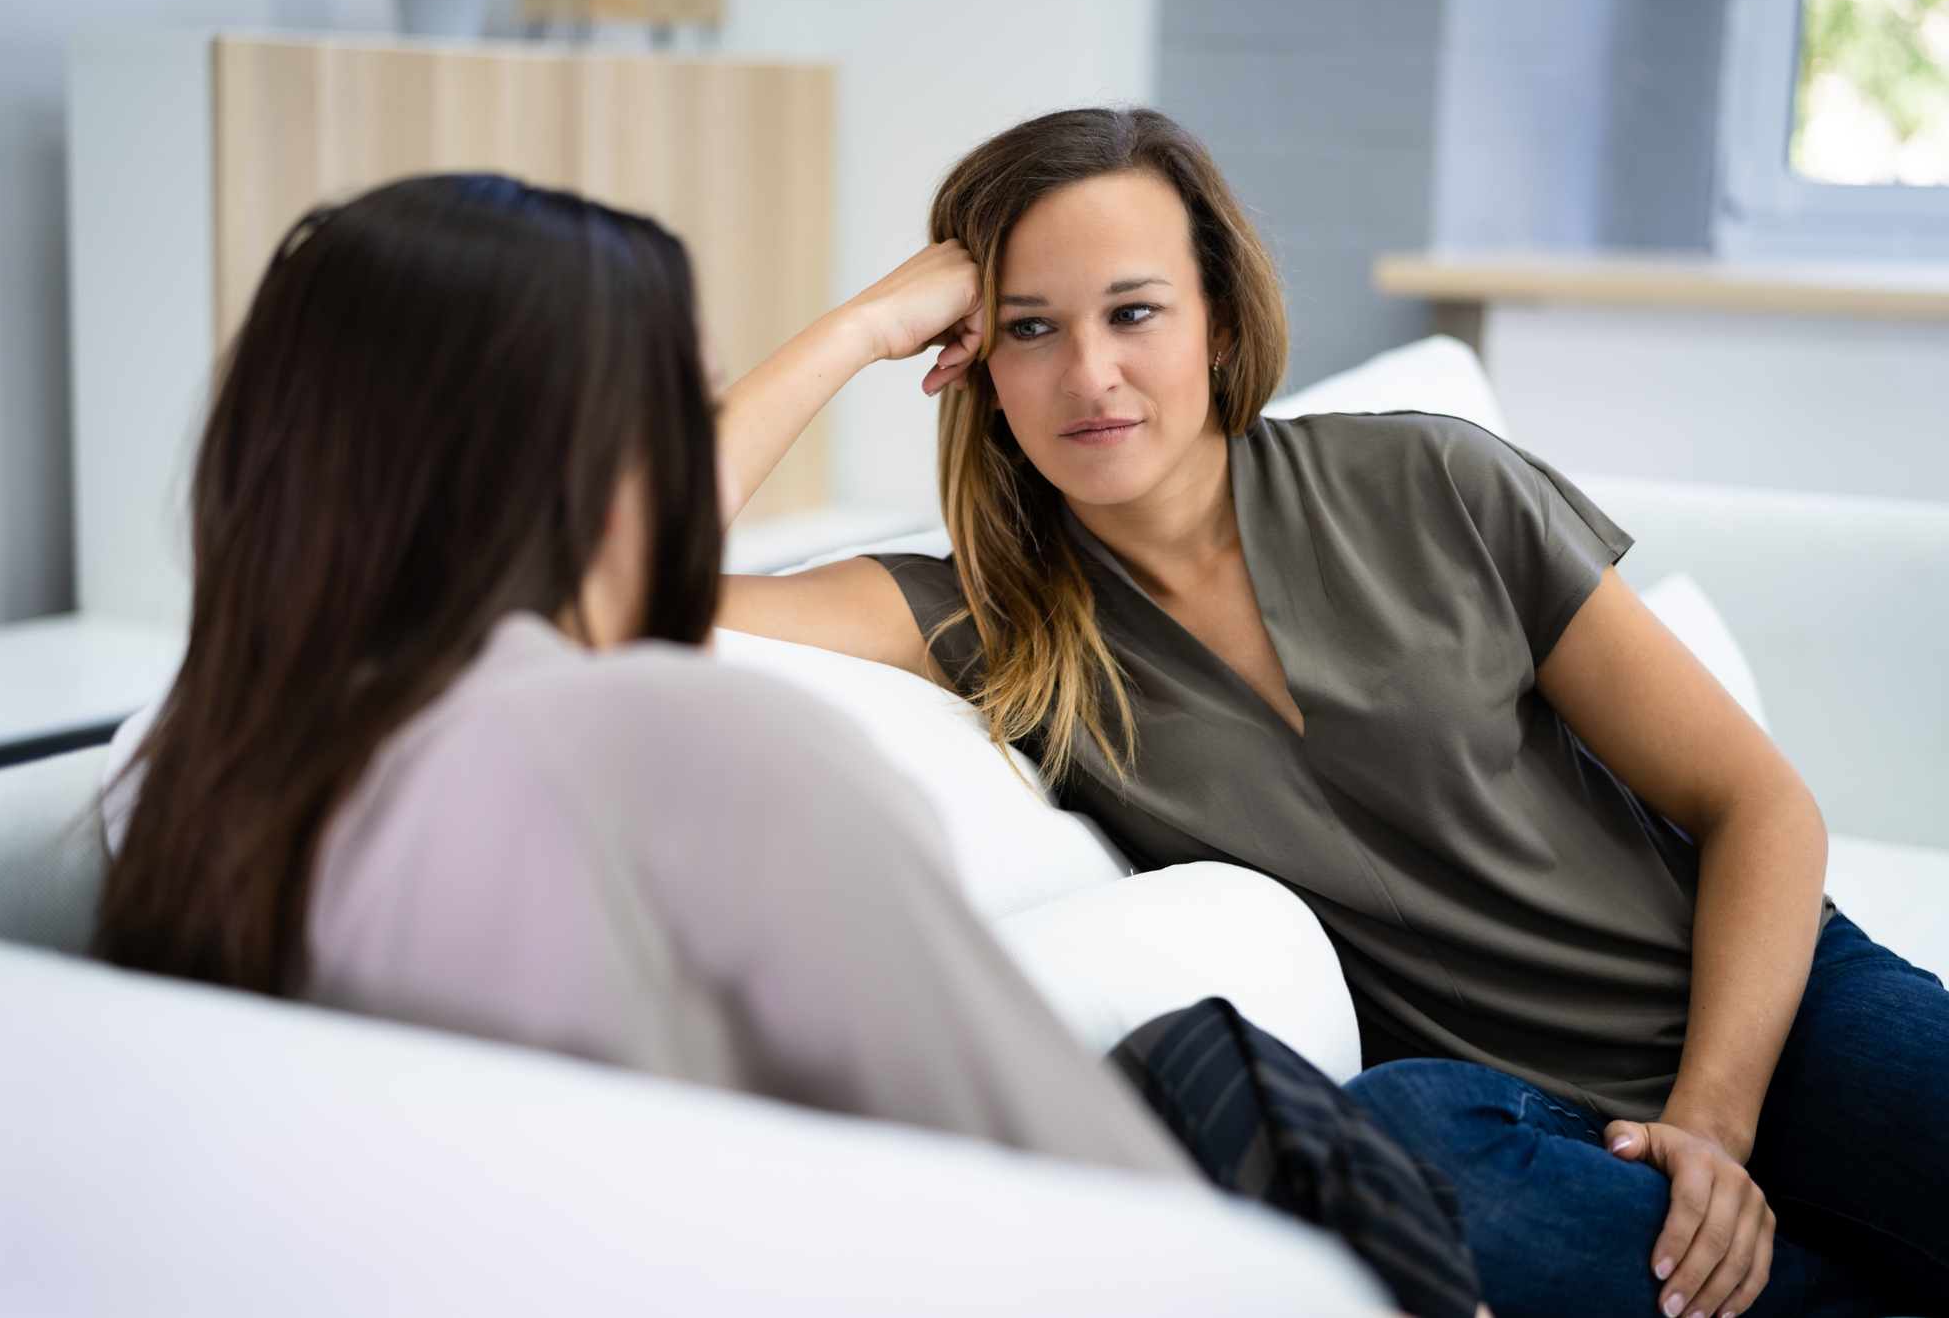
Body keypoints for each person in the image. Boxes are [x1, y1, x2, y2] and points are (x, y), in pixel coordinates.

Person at [713, 107, 1949, 1318]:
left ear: (1219, 321)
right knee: (1398, 1137)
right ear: (974, 361)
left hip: (1767, 1015)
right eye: (1029, 328)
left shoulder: (1432, 481)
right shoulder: (986, 621)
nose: (1087, 373)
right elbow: (609, 590)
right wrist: (860, 323)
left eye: (1132, 311)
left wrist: (1709, 1126)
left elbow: (1755, 800)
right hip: (1511, 1124)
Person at [90, 174, 1196, 1180]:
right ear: (602, 458)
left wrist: (859, 327)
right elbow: (1075, 1176)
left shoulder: (195, 766)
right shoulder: (680, 745)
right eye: (686, 407)